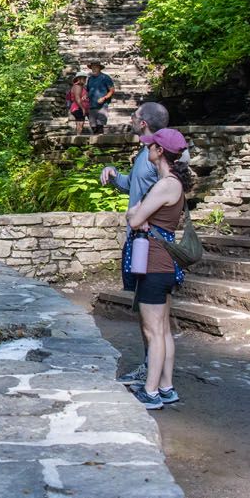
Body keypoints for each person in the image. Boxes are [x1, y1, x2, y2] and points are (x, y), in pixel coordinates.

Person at [100, 101, 175, 387]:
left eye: (134, 116)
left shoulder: (161, 153)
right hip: (140, 239)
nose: (131, 119)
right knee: (150, 315)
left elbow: (167, 188)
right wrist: (113, 174)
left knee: (152, 317)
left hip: (150, 241)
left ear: (143, 122)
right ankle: (158, 378)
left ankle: (153, 379)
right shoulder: (146, 152)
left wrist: (142, 212)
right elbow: (132, 185)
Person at [122, 127, 192, 409]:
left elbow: (135, 219)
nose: (147, 149)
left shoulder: (165, 185)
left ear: (160, 151)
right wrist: (139, 215)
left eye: (151, 146)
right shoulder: (173, 183)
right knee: (163, 330)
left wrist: (136, 215)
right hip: (164, 263)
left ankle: (150, 392)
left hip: (154, 262)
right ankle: (166, 386)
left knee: (153, 331)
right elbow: (140, 216)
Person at [85, 62, 115, 134]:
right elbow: (88, 91)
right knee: (93, 127)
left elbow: (112, 90)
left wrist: (104, 98)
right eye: (92, 67)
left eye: (96, 67)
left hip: (102, 106)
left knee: (100, 125)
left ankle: (101, 142)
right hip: (91, 105)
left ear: (99, 68)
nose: (94, 68)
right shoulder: (90, 79)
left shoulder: (105, 77)